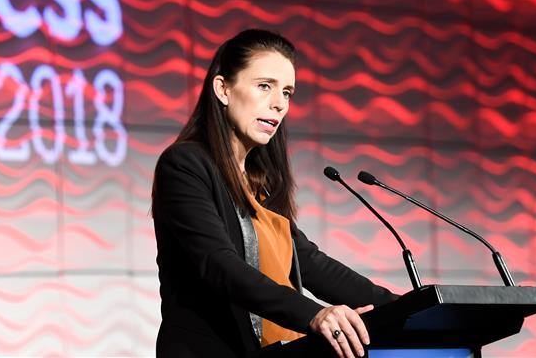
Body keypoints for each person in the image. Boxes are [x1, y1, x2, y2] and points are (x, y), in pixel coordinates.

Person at [152, 28, 397, 358]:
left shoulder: (261, 184)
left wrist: (407, 307)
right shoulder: (184, 164)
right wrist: (313, 314)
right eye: (264, 86)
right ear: (223, 89)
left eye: (287, 92)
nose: (279, 104)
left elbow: (309, 263)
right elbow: (218, 263)